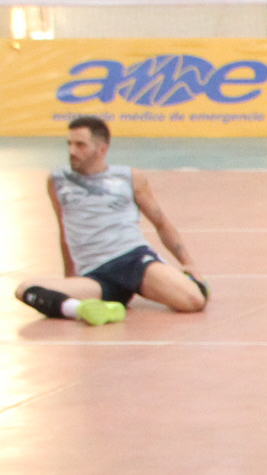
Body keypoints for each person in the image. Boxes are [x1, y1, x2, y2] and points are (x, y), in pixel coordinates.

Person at [14, 115, 207, 325]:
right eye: (69, 144)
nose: (72, 151)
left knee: (194, 300)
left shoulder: (129, 177)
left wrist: (188, 263)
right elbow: (65, 230)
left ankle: (185, 281)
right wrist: (70, 278)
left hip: (132, 261)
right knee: (26, 289)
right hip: (94, 275)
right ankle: (85, 310)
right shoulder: (57, 181)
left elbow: (161, 223)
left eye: (80, 145)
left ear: (102, 149)